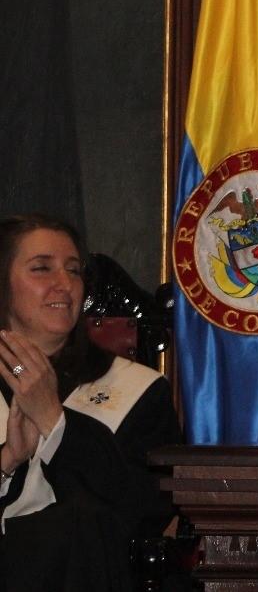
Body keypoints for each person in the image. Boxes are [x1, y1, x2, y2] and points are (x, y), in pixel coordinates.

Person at [0, 214, 181, 590]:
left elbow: (146, 512)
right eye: (41, 269)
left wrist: (55, 421)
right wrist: (6, 461)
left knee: (77, 523)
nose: (64, 285)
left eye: (74, 270)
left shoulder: (139, 389)